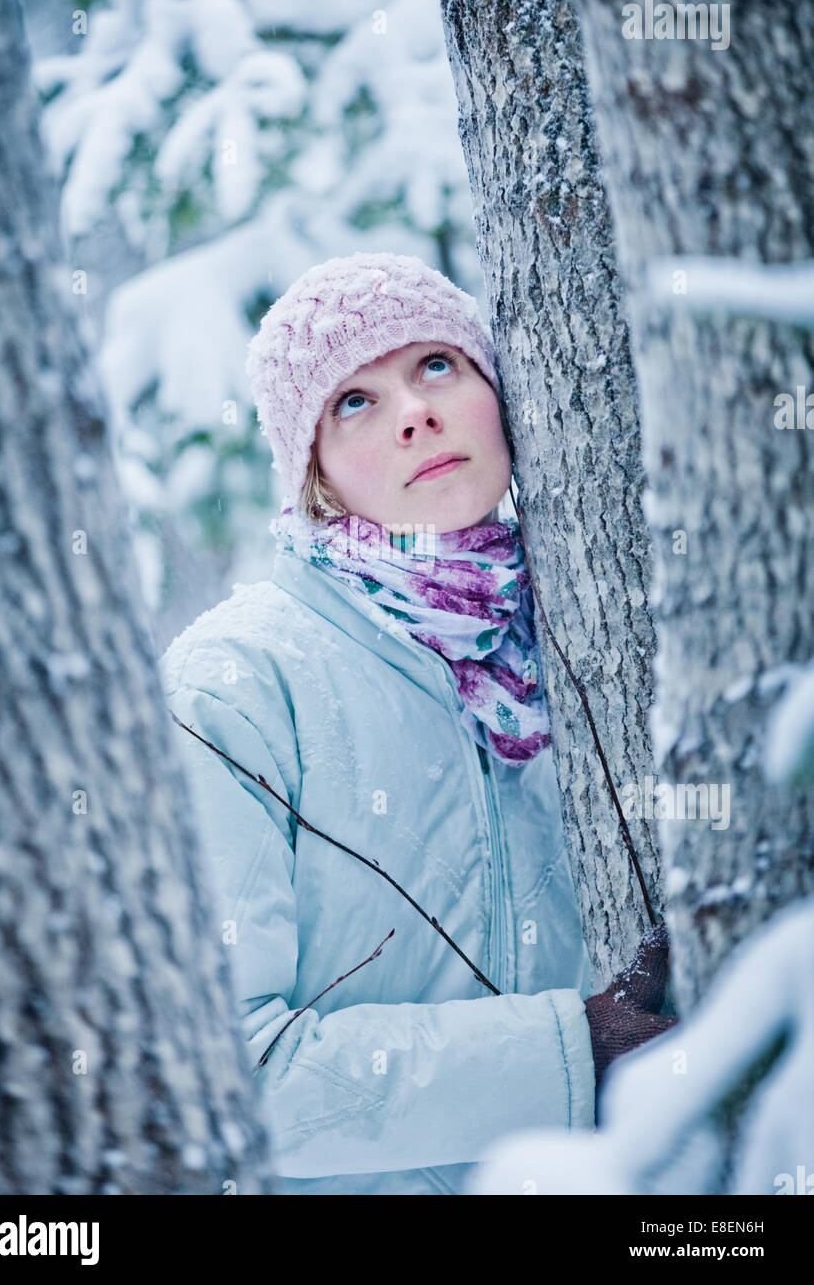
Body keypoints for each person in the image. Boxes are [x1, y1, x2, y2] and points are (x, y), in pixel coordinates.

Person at [158, 251, 675, 1195]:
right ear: (312, 470)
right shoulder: (233, 686)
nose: (413, 412)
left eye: (436, 364)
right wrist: (569, 1051)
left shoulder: (597, 631)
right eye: (353, 400)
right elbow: (227, 1071)